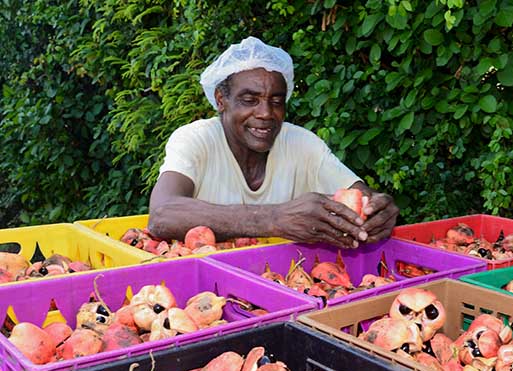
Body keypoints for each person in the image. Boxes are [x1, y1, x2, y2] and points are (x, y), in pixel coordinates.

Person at [148, 36, 398, 249]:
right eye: (249, 99)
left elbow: (360, 195)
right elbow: (161, 214)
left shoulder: (302, 144)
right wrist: (275, 218)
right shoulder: (197, 139)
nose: (266, 113)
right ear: (221, 100)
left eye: (276, 101)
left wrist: (376, 212)